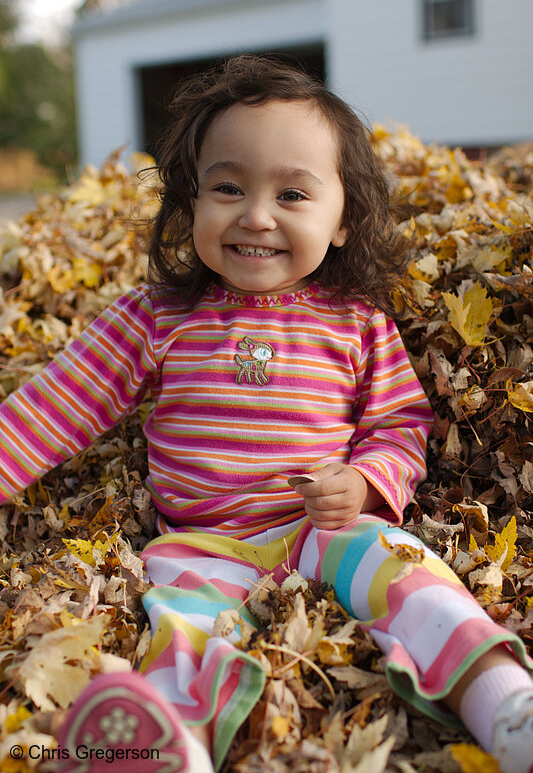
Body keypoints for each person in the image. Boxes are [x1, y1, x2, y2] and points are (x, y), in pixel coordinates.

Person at [0, 55, 532, 773]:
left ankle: (500, 702)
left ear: (342, 220)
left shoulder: (356, 324)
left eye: (291, 194)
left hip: (324, 530)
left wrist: (367, 483)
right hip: (200, 543)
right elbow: (50, 409)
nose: (255, 215)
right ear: (190, 204)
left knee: (407, 571)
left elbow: (399, 427)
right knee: (181, 630)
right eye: (226, 187)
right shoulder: (157, 317)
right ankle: (163, 747)